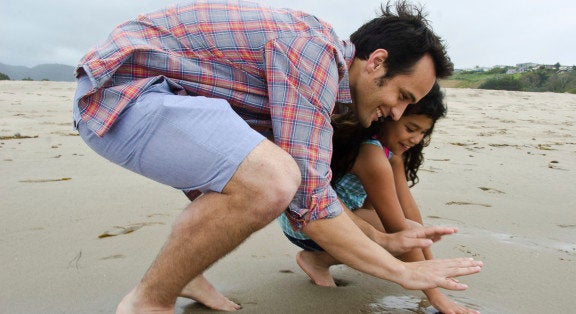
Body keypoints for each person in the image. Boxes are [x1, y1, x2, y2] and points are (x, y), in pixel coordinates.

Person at [72, 0, 482, 312]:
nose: (396, 113)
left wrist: (382, 238)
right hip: (120, 92)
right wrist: (401, 271)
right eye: (401, 97)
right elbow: (310, 204)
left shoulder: (323, 77)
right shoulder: (314, 53)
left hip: (172, 98)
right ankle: (149, 301)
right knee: (272, 178)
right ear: (377, 62)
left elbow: (312, 187)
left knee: (266, 168)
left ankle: (187, 273)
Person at [279, 83, 479, 313]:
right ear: (389, 116)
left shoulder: (390, 154)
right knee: (402, 236)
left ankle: (318, 260)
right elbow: (398, 229)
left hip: (333, 218)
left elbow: (409, 210)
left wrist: (433, 267)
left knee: (411, 229)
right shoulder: (371, 155)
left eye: (423, 132)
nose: (416, 139)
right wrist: (436, 296)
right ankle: (318, 258)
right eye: (411, 128)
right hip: (309, 224)